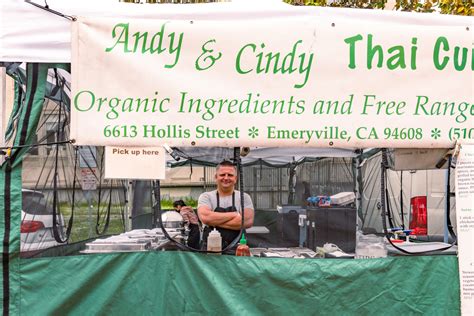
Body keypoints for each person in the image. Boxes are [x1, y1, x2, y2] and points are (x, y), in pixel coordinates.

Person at [198, 160, 254, 254]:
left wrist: (213, 222)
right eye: (222, 175)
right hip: (210, 251)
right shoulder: (206, 196)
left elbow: (247, 221)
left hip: (237, 251)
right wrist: (235, 215)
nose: (226, 178)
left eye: (230, 175)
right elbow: (206, 218)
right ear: (216, 177)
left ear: (235, 178)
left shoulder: (244, 197)